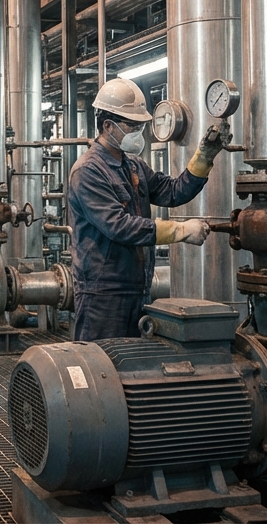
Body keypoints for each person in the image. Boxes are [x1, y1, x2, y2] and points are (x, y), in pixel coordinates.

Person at [67, 76, 229, 341]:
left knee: (134, 369)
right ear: (108, 126)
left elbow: (174, 192)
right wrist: (181, 231)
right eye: (132, 125)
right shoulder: (88, 171)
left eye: (140, 126)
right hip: (104, 295)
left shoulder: (134, 166)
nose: (138, 133)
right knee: (102, 368)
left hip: (138, 288)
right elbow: (119, 226)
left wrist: (204, 156)